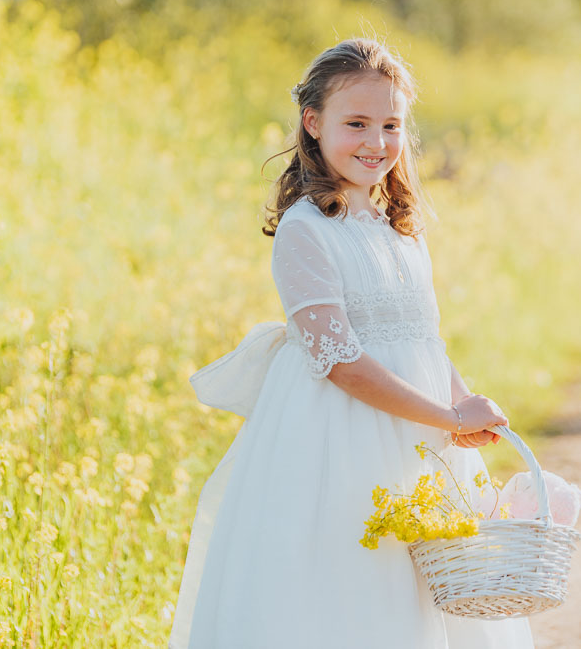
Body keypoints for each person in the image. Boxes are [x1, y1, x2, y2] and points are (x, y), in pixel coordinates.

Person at [169, 37, 535, 648]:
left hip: (417, 434)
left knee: (431, 582)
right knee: (351, 583)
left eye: (391, 125)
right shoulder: (306, 230)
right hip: (336, 440)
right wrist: (444, 413)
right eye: (356, 123)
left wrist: (463, 408)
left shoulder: (399, 228)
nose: (376, 141)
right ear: (313, 123)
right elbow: (341, 364)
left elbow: (424, 340)